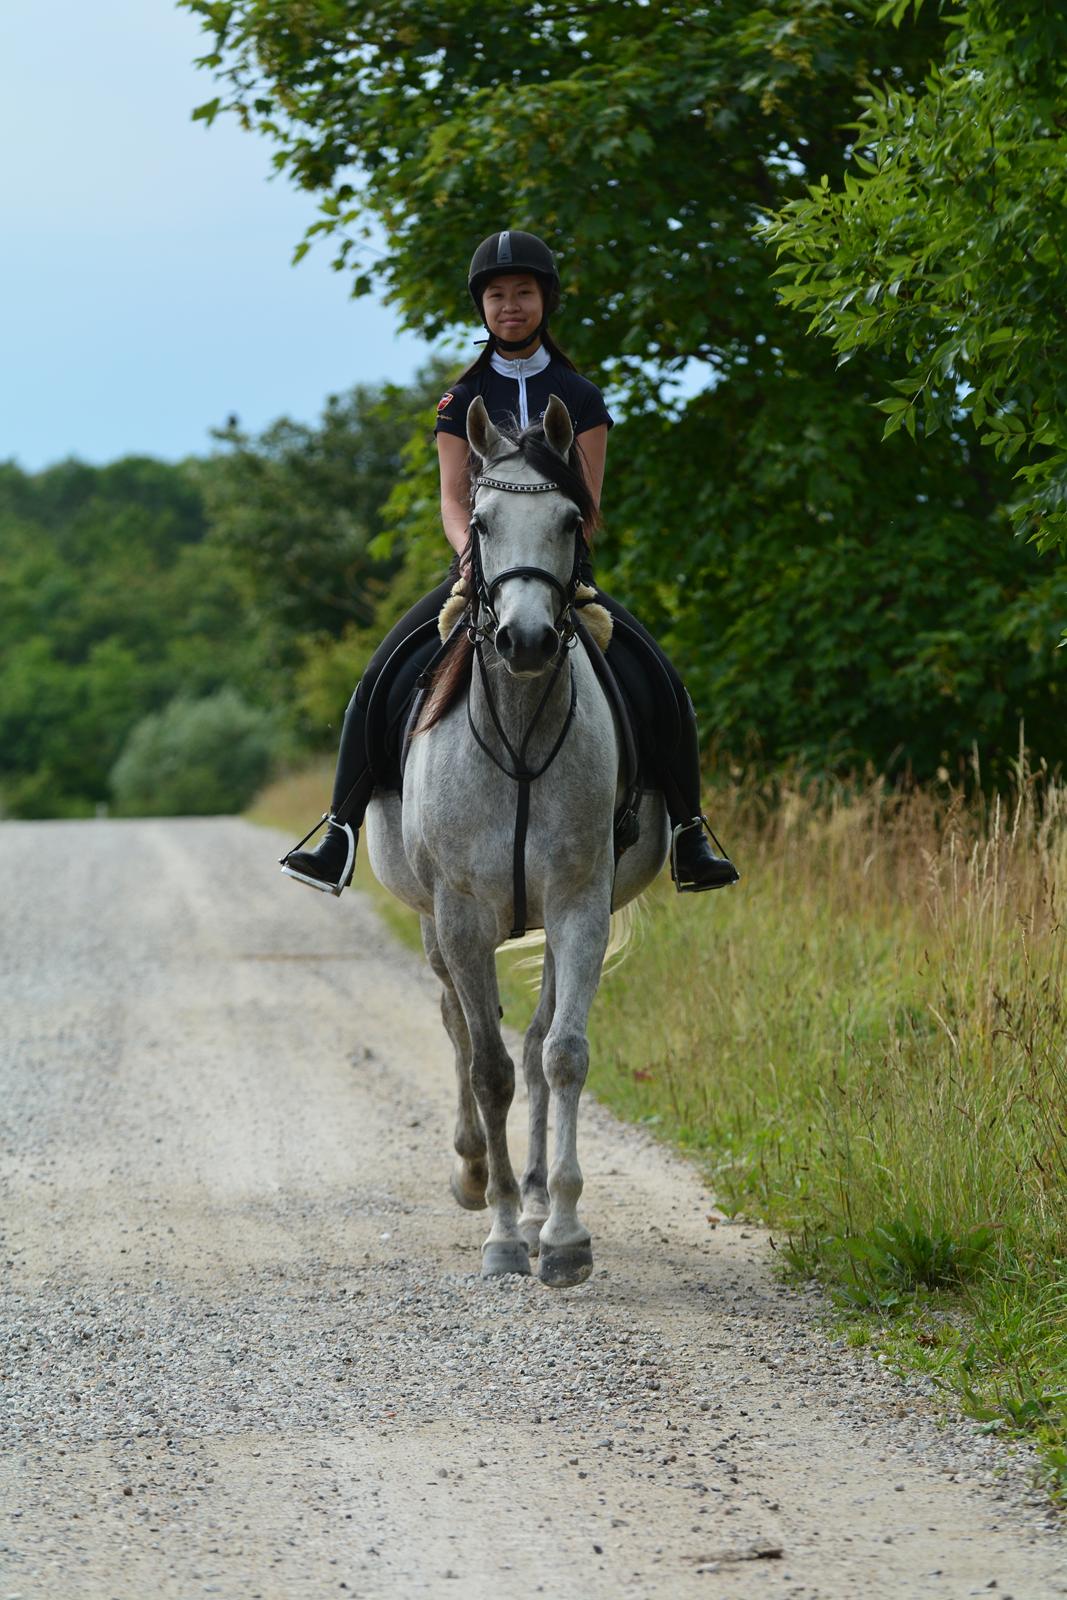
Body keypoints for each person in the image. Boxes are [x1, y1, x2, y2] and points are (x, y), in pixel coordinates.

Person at [280, 230, 738, 897]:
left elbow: (586, 503)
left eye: (522, 293)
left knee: (662, 681)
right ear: (482, 308)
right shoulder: (457, 401)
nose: (510, 306)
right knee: (378, 676)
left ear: (543, 300)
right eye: (497, 296)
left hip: (558, 573)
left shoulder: (578, 398)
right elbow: (448, 498)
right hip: (479, 569)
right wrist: (468, 561)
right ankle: (338, 831)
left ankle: (689, 831)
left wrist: (558, 565)